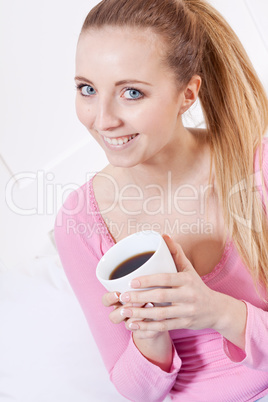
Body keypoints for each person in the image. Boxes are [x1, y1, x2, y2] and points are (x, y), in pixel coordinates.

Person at [54, 0, 268, 400]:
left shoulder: (257, 165)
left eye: (131, 92)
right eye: (87, 89)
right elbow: (136, 392)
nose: (102, 120)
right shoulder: (79, 222)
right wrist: (150, 336)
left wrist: (220, 313)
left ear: (187, 95)